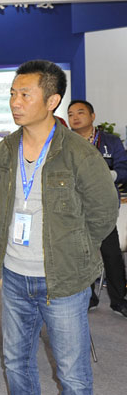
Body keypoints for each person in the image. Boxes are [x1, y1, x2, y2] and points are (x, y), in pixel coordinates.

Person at [0, 60, 118, 395]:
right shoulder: (6, 150)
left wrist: (76, 251)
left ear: (52, 101)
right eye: (13, 94)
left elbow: (104, 211)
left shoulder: (80, 153)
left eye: (25, 94)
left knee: (73, 375)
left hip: (62, 280)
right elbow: (4, 202)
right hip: (14, 276)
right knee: (16, 364)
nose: (15, 102)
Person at [67, 99, 127, 317]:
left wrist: (108, 175)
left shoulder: (111, 141)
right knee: (80, 256)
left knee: (112, 255)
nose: (75, 117)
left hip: (103, 209)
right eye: (70, 114)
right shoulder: (65, 143)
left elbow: (124, 169)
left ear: (92, 116)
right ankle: (88, 298)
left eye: (80, 112)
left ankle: (119, 301)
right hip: (75, 209)